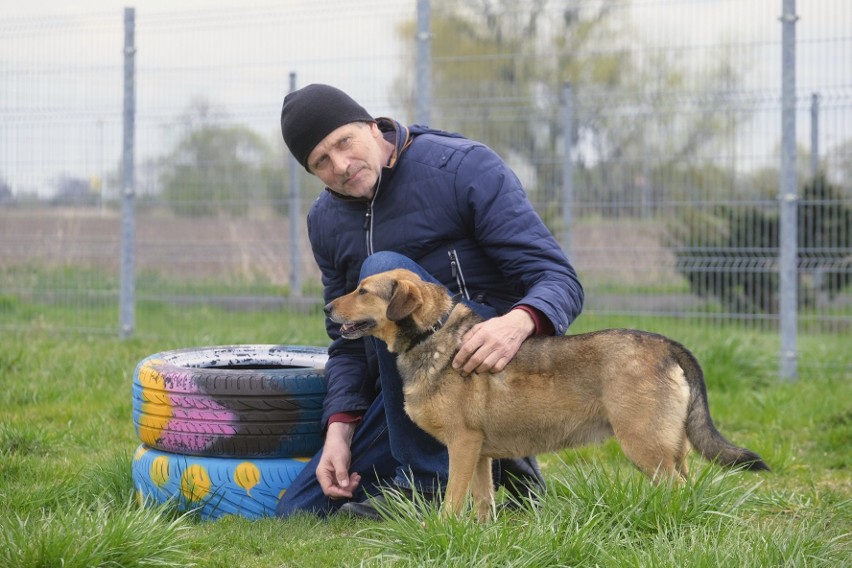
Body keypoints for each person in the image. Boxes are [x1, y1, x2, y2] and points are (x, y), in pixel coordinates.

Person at [276, 84, 584, 520]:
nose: (341, 166)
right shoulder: (324, 219)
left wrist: (517, 323)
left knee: (381, 265)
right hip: (407, 381)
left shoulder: (462, 167)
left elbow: (558, 279)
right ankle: (502, 473)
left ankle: (430, 485)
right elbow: (346, 338)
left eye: (344, 142)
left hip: (482, 363)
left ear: (371, 125)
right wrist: (340, 428)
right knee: (302, 508)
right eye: (320, 162)